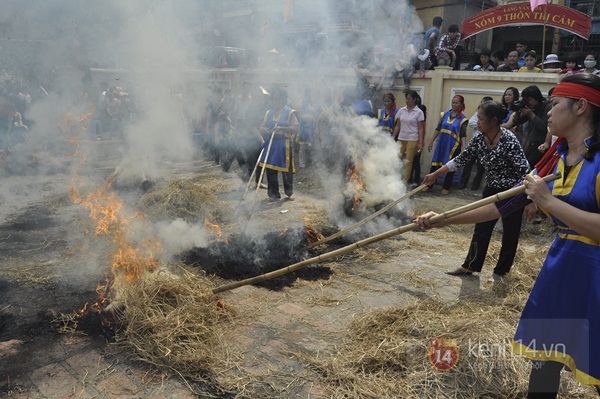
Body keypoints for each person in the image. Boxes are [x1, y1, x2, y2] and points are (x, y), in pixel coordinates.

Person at [415, 73, 600, 398]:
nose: (549, 113)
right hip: (559, 276)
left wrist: (546, 201)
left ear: (581, 106)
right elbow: (500, 206)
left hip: (594, 279)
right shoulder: (553, 161)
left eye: (555, 104)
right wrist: (444, 220)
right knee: (542, 371)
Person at [258, 86, 299, 201]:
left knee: (287, 171)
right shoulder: (268, 113)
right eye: (275, 99)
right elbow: (261, 126)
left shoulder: (290, 112)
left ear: (284, 99)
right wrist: (264, 130)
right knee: (270, 169)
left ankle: (289, 192)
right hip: (271, 144)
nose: (277, 102)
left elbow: (295, 127)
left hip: (284, 145)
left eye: (279, 99)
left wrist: (282, 128)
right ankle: (273, 194)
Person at [426, 95, 468, 194]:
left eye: (456, 103)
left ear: (461, 105)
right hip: (442, 143)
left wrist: (464, 148)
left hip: (453, 146)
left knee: (450, 166)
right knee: (435, 164)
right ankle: (429, 185)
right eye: (453, 102)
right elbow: (438, 128)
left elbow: (463, 135)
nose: (454, 104)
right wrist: (431, 141)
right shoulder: (444, 115)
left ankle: (446, 187)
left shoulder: (463, 119)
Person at [505, 85, 552, 167]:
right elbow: (517, 122)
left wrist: (531, 114)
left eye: (529, 100)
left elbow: (544, 127)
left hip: (541, 144)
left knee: (530, 166)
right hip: (531, 143)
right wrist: (517, 112)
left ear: (537, 99)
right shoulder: (531, 108)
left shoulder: (546, 107)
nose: (528, 102)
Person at [459, 96, 492, 190]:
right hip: (475, 143)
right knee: (468, 162)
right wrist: (481, 124)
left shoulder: (491, 117)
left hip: (486, 144)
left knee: (481, 166)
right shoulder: (477, 113)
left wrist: (482, 125)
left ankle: (475, 184)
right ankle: (463, 182)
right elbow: (471, 123)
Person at [393, 90, 425, 183]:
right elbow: (398, 125)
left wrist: (420, 142)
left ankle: (404, 182)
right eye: (406, 98)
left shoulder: (419, 112)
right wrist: (393, 137)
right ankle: (395, 179)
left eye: (409, 99)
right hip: (401, 138)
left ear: (414, 99)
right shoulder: (401, 110)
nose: (407, 101)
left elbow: (420, 129)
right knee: (396, 159)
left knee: (408, 162)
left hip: (413, 139)